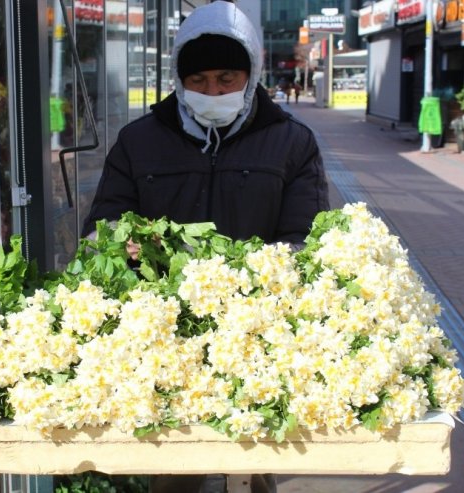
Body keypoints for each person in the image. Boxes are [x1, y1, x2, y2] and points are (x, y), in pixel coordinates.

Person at [81, 1, 329, 491]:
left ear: (251, 73)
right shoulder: (138, 141)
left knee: (253, 462)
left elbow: (307, 240)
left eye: (225, 78)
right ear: (179, 78)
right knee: (174, 469)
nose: (212, 91)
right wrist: (117, 245)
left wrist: (264, 285)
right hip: (166, 339)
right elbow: (100, 228)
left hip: (257, 335)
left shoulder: (291, 143)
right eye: (198, 81)